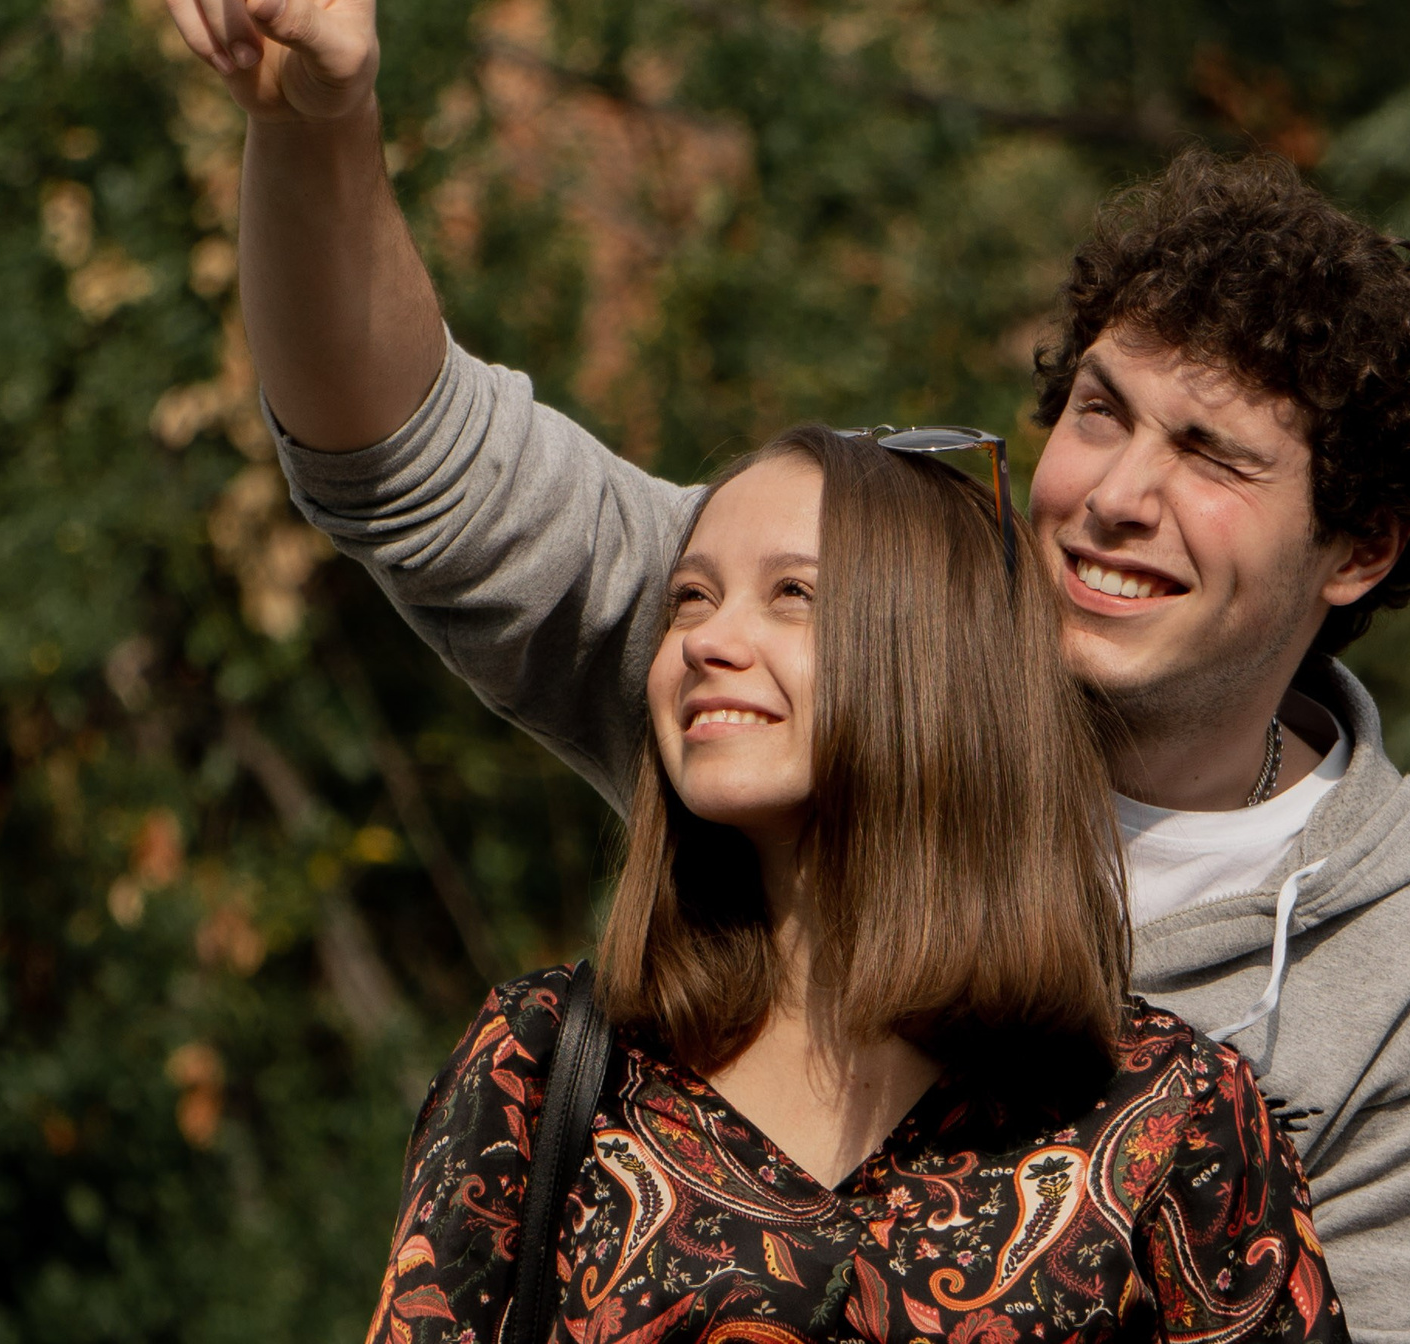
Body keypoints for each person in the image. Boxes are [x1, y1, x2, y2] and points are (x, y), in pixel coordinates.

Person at [165, 0, 1410, 1344]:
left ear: (1358, 551)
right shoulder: (804, 654)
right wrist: (321, 129)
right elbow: (405, 460)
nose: (1117, 495)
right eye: (1102, 413)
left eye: (1213, 458)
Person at [372, 422, 1345, 1344]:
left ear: (944, 660)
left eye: (792, 593)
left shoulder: (1174, 1116)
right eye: (690, 598)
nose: (708, 640)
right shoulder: (541, 1067)